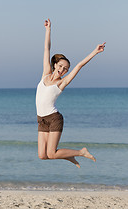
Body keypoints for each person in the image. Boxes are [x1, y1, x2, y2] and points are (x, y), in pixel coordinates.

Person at [36, 18, 106, 168]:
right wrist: (48, 30)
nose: (62, 69)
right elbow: (46, 49)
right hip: (41, 119)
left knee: (52, 153)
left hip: (54, 119)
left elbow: (80, 65)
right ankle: (68, 157)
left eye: (66, 68)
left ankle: (81, 152)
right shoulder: (45, 74)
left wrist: (95, 51)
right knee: (42, 155)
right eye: (60, 66)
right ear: (54, 65)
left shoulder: (62, 82)